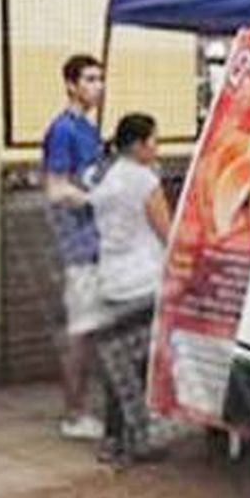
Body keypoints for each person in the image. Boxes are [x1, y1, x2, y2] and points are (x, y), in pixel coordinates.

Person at [88, 113, 170, 465]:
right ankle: (134, 440)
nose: (157, 147)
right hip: (141, 281)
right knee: (137, 366)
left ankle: (113, 437)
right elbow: (167, 230)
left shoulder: (104, 174)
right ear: (138, 145)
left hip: (109, 280)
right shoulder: (144, 181)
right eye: (154, 140)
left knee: (115, 365)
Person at [42, 54, 108, 441]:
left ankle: (85, 405)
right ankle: (74, 412)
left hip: (99, 243)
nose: (96, 86)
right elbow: (55, 187)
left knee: (95, 329)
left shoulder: (90, 129)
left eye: (99, 79)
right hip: (77, 246)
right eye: (89, 79)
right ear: (70, 84)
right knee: (80, 331)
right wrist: (97, 197)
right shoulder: (64, 130)